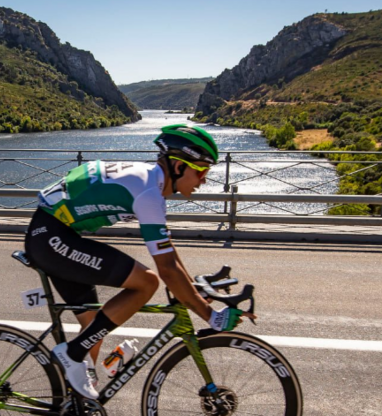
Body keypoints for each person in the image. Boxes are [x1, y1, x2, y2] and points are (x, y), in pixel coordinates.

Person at [25, 124, 252, 402]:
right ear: (178, 166)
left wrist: (190, 289)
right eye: (201, 171)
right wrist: (211, 316)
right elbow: (166, 269)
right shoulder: (149, 194)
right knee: (147, 283)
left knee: (94, 327)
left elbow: (169, 255)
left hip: (53, 233)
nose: (204, 180)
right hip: (52, 237)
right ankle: (71, 355)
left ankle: (78, 407)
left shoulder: (149, 182)